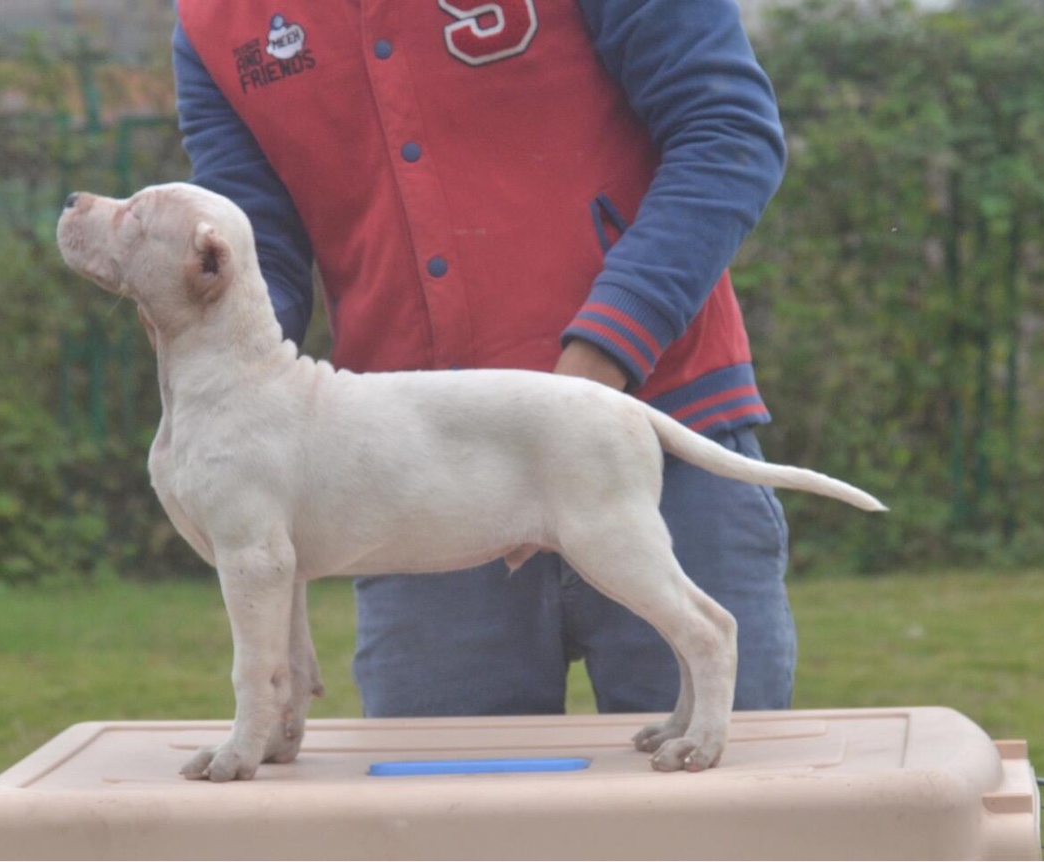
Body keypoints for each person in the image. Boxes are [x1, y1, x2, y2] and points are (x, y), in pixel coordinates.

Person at [172, 0, 793, 716]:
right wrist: (227, 400)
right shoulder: (213, 22)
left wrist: (608, 350)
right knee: (447, 820)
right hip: (410, 489)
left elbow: (726, 131)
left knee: (721, 818)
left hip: (665, 440)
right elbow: (252, 251)